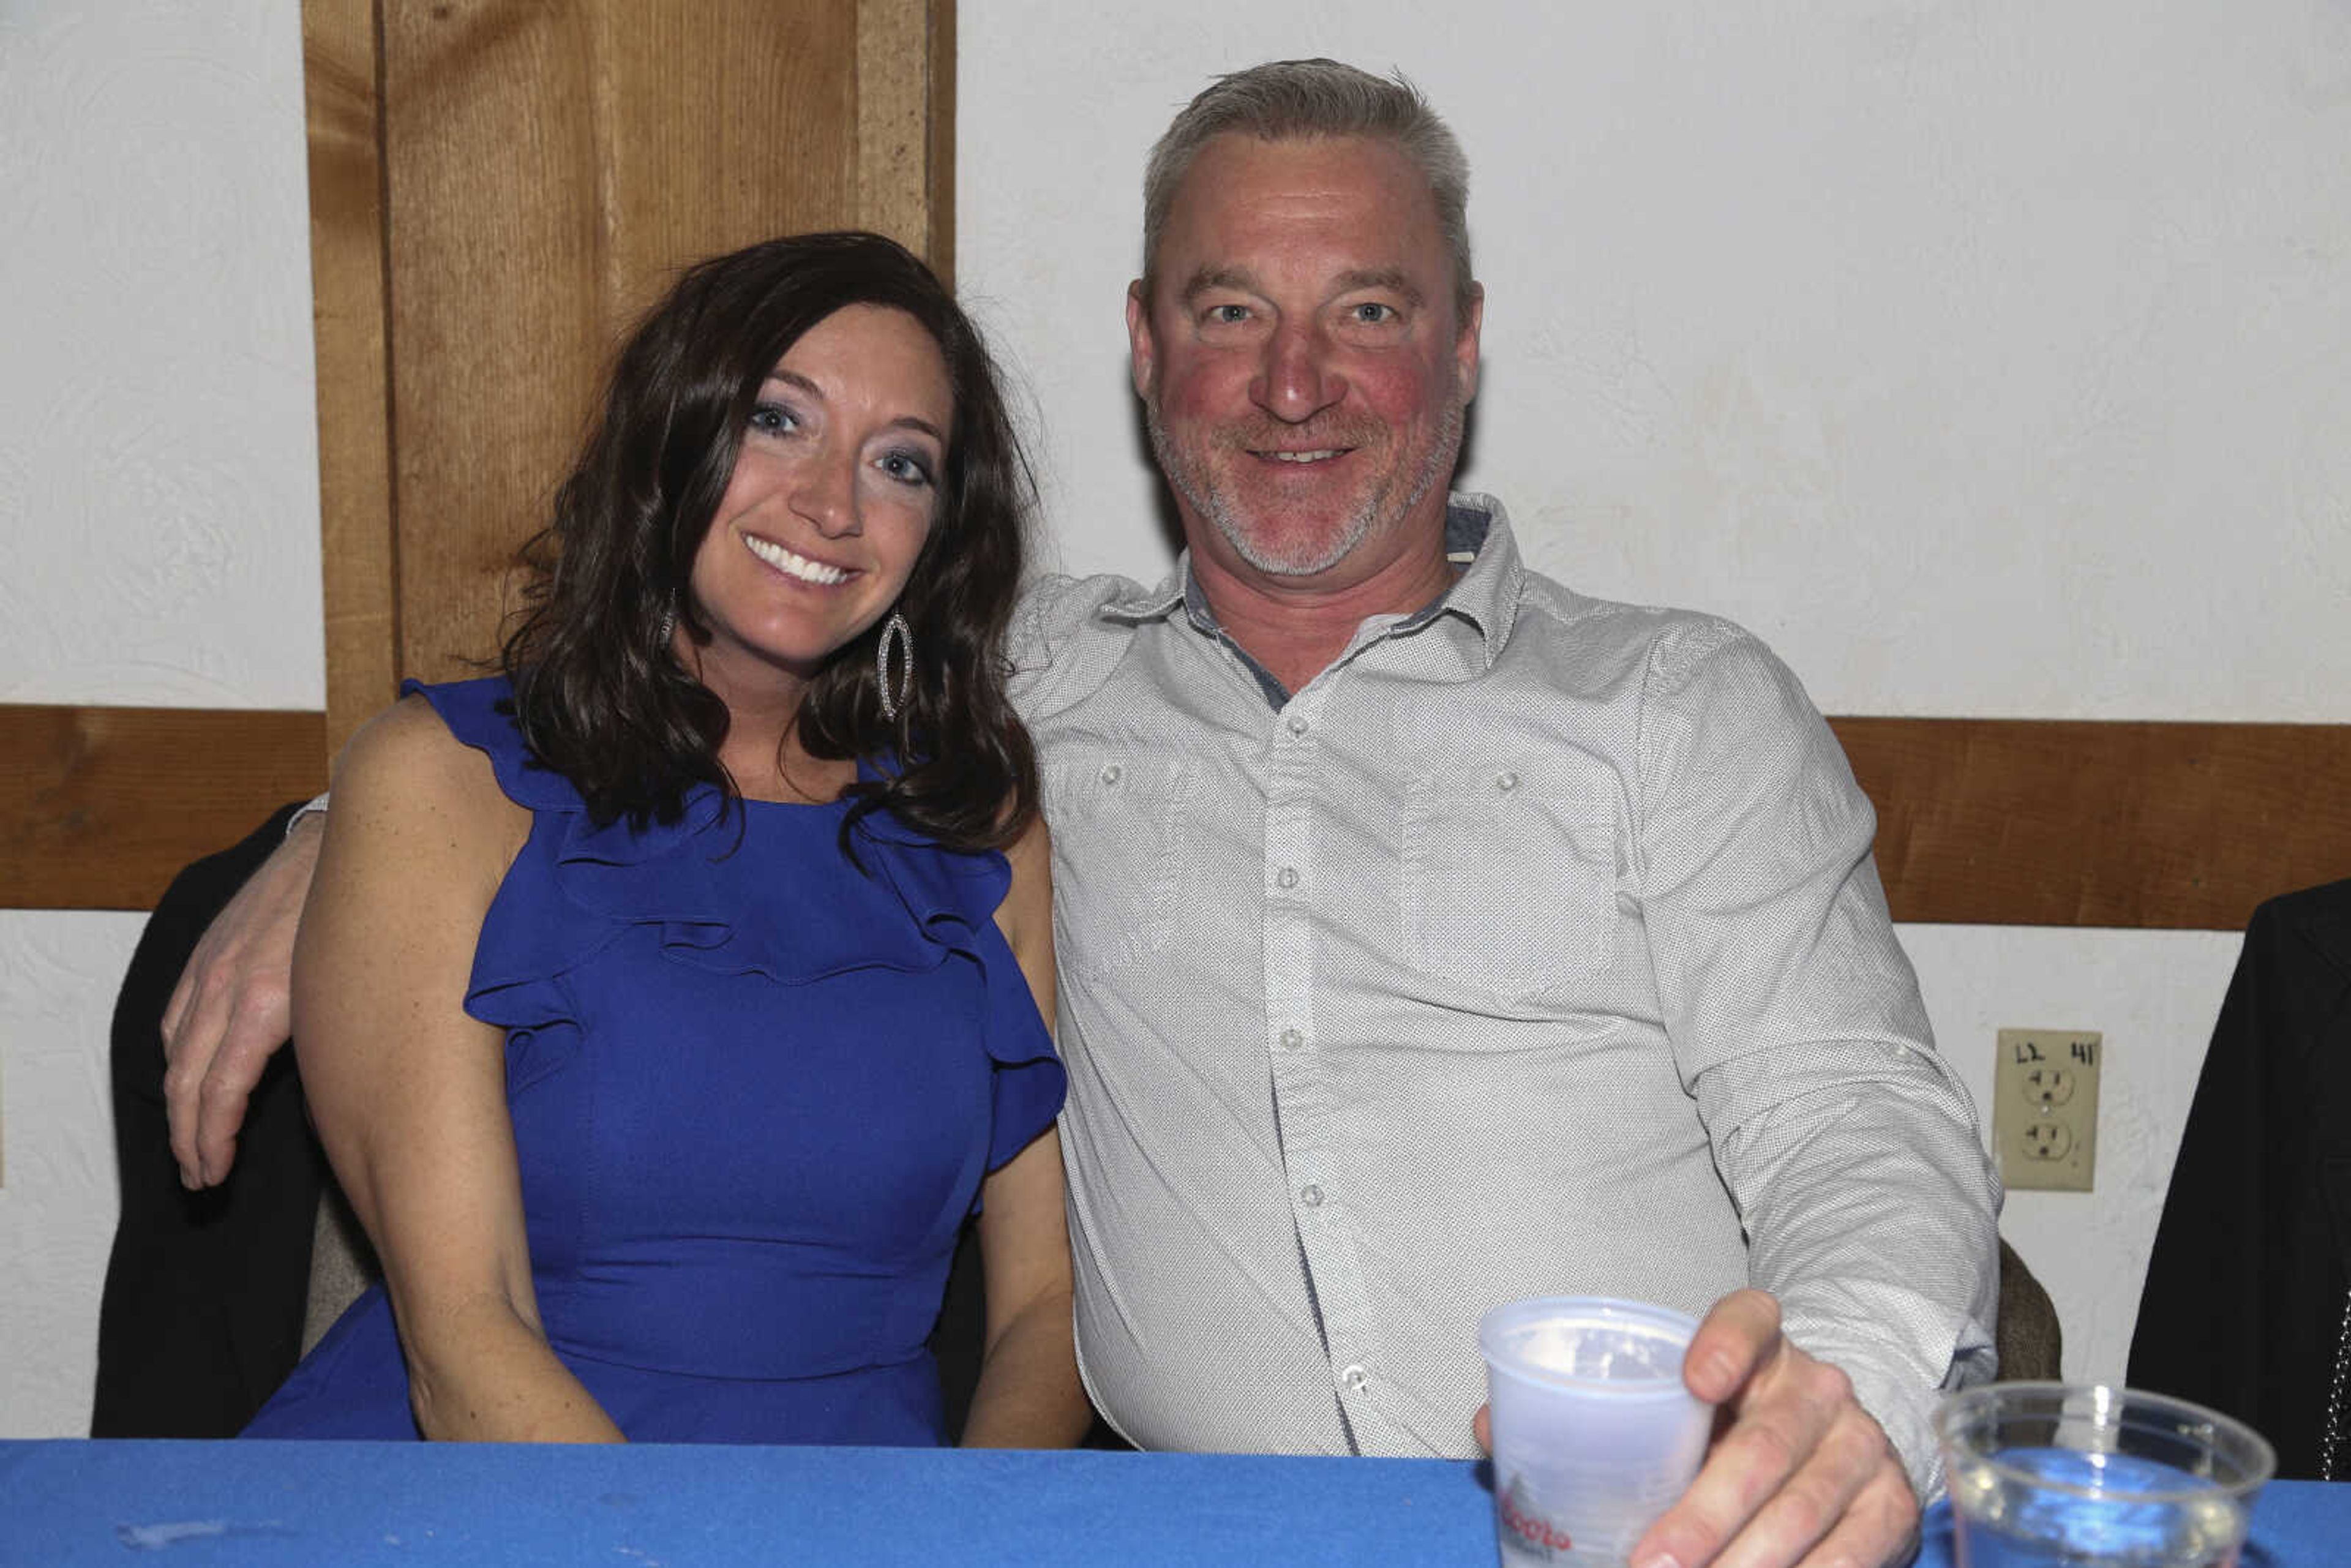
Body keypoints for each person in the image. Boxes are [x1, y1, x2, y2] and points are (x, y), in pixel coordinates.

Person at [162, 62, 1997, 1566]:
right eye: (1230, 311)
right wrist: (334, 825)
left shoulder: (1675, 709)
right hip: (1184, 1535)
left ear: (1464, 345)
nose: (1296, 382)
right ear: (1145, 346)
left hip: (1644, 1531)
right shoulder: (1018, 701)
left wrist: (1852, 1377)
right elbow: (665, 702)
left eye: (1368, 309)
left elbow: (1855, 1110)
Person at [234, 231, 1088, 1448]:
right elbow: (465, 1338)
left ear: (940, 531)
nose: (834, 503)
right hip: (505, 1494)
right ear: (672, 436)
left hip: (876, 1524)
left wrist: (975, 1529)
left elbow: (1046, 1307)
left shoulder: (980, 819)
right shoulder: (439, 783)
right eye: (777, 422)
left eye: (901, 463)